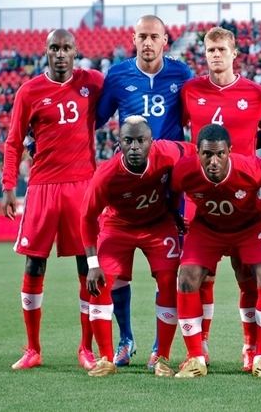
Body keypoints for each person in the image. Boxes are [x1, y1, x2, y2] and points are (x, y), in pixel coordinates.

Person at [179, 26, 261, 371]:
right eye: (210, 49)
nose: (216, 55)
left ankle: (250, 348)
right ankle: (201, 347)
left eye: (222, 49)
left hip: (244, 194)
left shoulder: (256, 94)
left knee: (247, 274)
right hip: (203, 201)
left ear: (235, 52)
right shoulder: (190, 91)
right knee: (201, 277)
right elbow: (176, 133)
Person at [2, 29, 103, 370]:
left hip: (81, 186)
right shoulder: (29, 91)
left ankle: (85, 348)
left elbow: (117, 97)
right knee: (34, 264)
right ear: (46, 52)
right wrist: (8, 187)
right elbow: (14, 142)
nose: (60, 53)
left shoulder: (93, 82)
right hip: (42, 188)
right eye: (54, 48)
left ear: (76, 51)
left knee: (86, 267)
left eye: (66, 48)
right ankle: (33, 349)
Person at [96, 15, 193, 368]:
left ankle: (159, 347)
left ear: (166, 40)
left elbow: (197, 118)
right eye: (142, 37)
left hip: (169, 185)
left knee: (169, 271)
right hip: (130, 177)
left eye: (154, 36)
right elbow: (95, 119)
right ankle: (125, 340)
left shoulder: (182, 75)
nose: (148, 42)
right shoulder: (119, 75)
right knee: (117, 273)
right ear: (133, 39)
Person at [80, 116, 195, 377]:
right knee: (99, 284)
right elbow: (86, 218)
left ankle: (161, 356)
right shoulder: (106, 175)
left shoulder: (168, 152)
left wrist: (178, 210)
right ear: (117, 143)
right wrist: (92, 263)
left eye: (140, 140)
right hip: (118, 226)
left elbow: (196, 153)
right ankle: (106, 358)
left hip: (158, 224)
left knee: (169, 281)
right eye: (128, 140)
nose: (134, 147)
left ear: (151, 143)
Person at [170, 124, 261, 378]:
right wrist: (174, 216)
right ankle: (195, 357)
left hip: (250, 227)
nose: (214, 161)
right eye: (207, 154)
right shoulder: (183, 171)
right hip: (208, 228)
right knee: (186, 278)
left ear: (230, 151)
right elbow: (171, 190)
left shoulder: (252, 168)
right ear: (196, 152)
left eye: (220, 154)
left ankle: (259, 356)